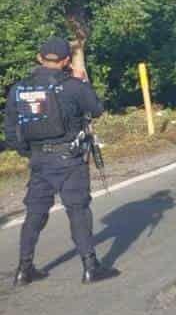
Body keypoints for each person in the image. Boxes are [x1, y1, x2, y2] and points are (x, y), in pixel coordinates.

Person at [5, 37, 120, 285]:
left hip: (39, 161)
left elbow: (11, 131)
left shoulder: (18, 89)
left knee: (34, 213)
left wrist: (30, 153)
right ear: (66, 60)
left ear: (39, 57)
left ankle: (24, 270)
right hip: (69, 159)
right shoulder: (74, 86)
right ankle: (90, 267)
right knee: (77, 210)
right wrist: (83, 80)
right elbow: (97, 109)